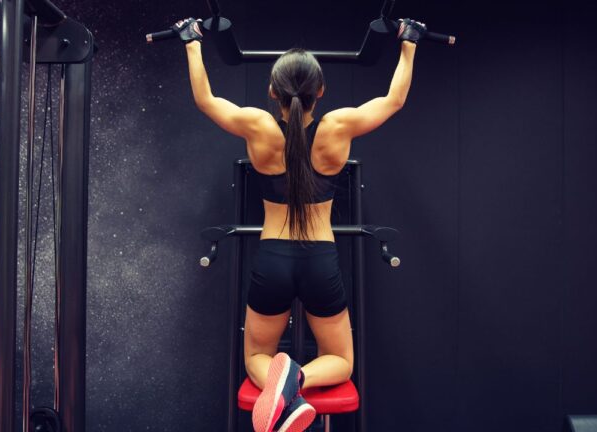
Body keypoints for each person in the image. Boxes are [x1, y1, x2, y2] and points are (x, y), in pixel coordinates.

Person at [172, 16, 426, 432]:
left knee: (256, 357)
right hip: (320, 259)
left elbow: (206, 99)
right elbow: (393, 100)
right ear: (320, 91)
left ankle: (283, 381)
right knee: (341, 360)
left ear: (273, 92)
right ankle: (299, 377)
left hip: (272, 257)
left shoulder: (257, 126)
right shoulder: (339, 127)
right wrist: (409, 42)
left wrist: (191, 41)